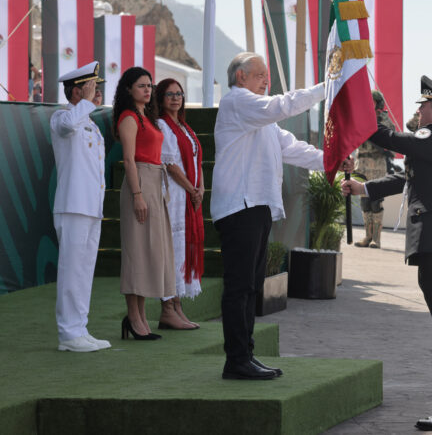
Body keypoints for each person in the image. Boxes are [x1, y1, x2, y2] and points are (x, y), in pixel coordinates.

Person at [342, 75, 432, 432]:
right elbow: (408, 179)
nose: (417, 112)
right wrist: (364, 187)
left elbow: (387, 138)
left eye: (422, 106)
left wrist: (359, 112)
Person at [211, 52, 327, 380]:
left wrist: (330, 161)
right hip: (240, 207)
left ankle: (244, 355)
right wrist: (325, 88)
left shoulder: (260, 118)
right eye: (260, 75)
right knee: (240, 287)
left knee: (249, 286)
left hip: (256, 207)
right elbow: (282, 104)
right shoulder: (238, 102)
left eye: (267, 75)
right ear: (241, 78)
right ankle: (236, 359)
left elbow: (293, 149)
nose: (267, 81)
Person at [50, 61, 110, 352]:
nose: (96, 93)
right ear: (76, 91)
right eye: (91, 88)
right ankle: (68, 334)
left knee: (84, 270)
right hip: (72, 206)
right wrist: (84, 103)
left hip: (90, 207)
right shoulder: (62, 118)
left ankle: (80, 328)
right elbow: (66, 125)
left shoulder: (90, 123)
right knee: (71, 270)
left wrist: (86, 105)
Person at [114, 66, 175, 340]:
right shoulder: (128, 117)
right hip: (139, 183)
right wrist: (137, 194)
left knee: (150, 250)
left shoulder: (147, 117)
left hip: (154, 183)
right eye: (141, 85)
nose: (148, 90)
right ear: (129, 89)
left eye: (150, 85)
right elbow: (129, 160)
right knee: (136, 252)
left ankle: (139, 316)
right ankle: (134, 317)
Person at [155, 79, 203, 330]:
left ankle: (178, 306)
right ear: (160, 98)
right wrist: (190, 189)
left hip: (189, 193)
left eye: (179, 94)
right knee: (173, 249)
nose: (175, 98)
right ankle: (167, 308)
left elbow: (196, 158)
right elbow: (171, 165)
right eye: (169, 94)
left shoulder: (184, 126)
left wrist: (200, 188)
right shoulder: (162, 124)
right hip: (175, 194)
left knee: (184, 247)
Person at [353, 90, 392, 248]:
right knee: (364, 203)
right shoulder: (360, 118)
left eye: (372, 102)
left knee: (376, 202)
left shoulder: (384, 120)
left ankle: (376, 238)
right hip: (361, 163)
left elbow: (389, 140)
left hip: (377, 165)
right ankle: (367, 237)